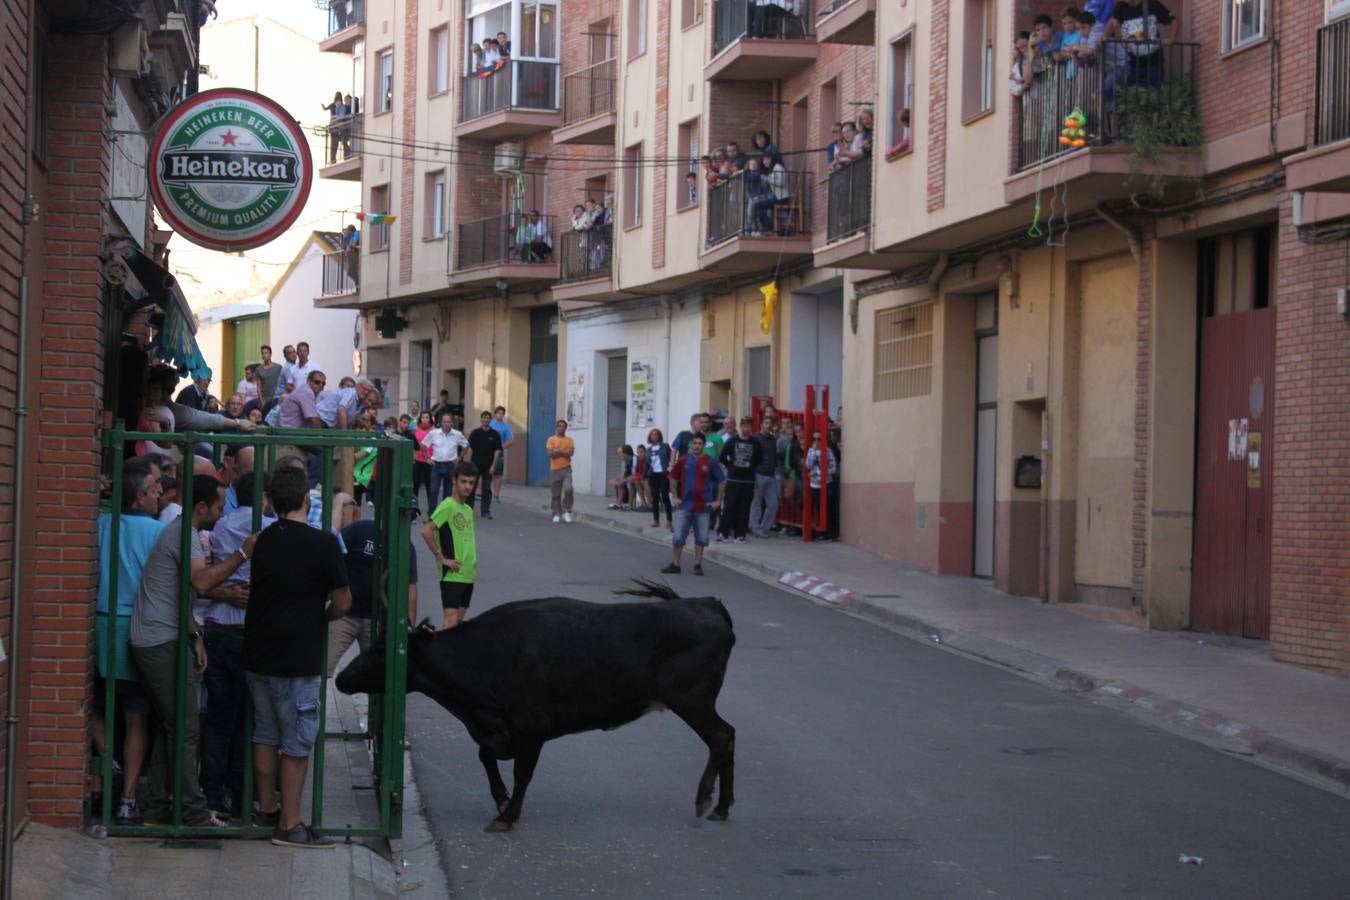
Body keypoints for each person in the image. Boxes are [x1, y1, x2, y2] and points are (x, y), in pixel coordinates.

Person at [130, 474, 254, 828]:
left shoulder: (185, 533)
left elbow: (177, 590)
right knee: (185, 728)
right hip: (159, 640)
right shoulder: (187, 535)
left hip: (164, 635)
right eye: (217, 507)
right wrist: (244, 551)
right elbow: (200, 581)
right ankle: (193, 811)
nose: (220, 513)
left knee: (171, 725)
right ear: (202, 507)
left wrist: (194, 634)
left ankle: (156, 809)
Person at [244, 465, 351, 848]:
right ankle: (290, 825)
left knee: (265, 734)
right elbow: (343, 602)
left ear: (271, 502)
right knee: (298, 741)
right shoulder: (323, 544)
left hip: (258, 653)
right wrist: (323, 615)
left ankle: (267, 808)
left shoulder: (262, 541)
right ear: (308, 498)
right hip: (298, 655)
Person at [200, 470, 275, 816]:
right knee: (251, 717)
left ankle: (212, 795)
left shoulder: (222, 525)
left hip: (218, 627)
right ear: (262, 497)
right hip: (253, 631)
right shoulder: (271, 529)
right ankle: (243, 794)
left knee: (218, 718)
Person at [95, 457, 165, 825]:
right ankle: (127, 798)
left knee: (93, 705)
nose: (159, 496)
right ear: (138, 498)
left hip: (102, 627)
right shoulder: (156, 532)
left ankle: (110, 760)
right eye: (153, 491)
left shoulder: (101, 524)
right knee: (137, 718)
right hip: (140, 628)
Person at [332, 513, 419, 676]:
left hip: (377, 619)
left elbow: (410, 589)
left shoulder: (405, 546)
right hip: (345, 615)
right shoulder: (358, 529)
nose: (405, 520)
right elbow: (334, 556)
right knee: (323, 668)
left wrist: (410, 629)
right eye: (404, 515)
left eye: (410, 516)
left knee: (380, 675)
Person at [422, 461, 479, 630]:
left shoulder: (467, 509)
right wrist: (442, 558)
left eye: (471, 482)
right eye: (463, 481)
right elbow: (426, 531)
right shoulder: (447, 505)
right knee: (451, 622)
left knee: (458, 625)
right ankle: (441, 656)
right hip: (452, 574)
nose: (467, 486)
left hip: (468, 574)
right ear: (454, 481)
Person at [661, 433, 726, 577]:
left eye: (700, 443)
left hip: (703, 507)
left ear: (704, 445)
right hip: (685, 506)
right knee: (678, 536)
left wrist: (718, 500)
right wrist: (675, 497)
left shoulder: (711, 462)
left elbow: (721, 481)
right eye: (695, 443)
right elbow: (673, 478)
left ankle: (697, 564)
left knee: (702, 538)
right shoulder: (684, 460)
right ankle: (675, 564)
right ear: (691, 444)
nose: (697, 446)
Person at [717, 416, 762, 543]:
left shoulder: (755, 443)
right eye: (744, 426)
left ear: (751, 428)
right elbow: (722, 457)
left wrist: (751, 468)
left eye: (749, 426)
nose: (746, 428)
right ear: (741, 427)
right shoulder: (732, 441)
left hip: (748, 481)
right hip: (733, 480)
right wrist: (730, 467)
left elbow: (759, 459)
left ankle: (740, 534)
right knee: (729, 506)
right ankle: (723, 533)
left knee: (744, 508)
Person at [421, 412, 469, 507]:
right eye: (444, 421)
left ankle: (444, 515)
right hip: (436, 465)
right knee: (433, 491)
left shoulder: (457, 434)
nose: (446, 424)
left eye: (449, 421)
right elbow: (423, 445)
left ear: (452, 423)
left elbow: (466, 445)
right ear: (441, 422)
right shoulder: (434, 433)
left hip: (450, 465)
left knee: (448, 493)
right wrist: (427, 458)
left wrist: (460, 457)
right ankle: (432, 514)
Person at [467, 410, 503, 519]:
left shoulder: (495, 434)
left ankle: (485, 511)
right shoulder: (475, 433)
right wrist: (469, 464)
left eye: (488, 418)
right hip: (475, 465)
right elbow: (470, 449)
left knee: (487, 489)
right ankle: (468, 511)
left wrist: (493, 465)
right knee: (471, 488)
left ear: (490, 420)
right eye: (484, 418)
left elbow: (497, 451)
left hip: (488, 466)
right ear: (481, 419)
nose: (486, 420)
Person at [750, 413, 781, 537]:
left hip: (770, 475)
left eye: (770, 424)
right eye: (766, 423)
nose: (768, 426)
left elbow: (775, 457)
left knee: (773, 504)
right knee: (757, 503)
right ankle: (756, 528)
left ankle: (764, 528)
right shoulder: (756, 438)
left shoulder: (773, 440)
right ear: (762, 425)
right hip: (758, 474)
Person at [805, 432, 839, 542]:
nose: (816, 441)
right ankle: (819, 532)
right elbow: (808, 465)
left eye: (819, 439)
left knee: (827, 509)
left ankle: (828, 533)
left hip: (826, 483)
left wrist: (818, 472)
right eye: (814, 439)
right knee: (817, 509)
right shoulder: (811, 451)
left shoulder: (828, 451)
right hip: (814, 485)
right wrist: (814, 452)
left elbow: (834, 468)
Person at [547, 418, 575, 523]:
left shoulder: (569, 440)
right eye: (559, 426)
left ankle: (567, 511)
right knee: (556, 493)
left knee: (568, 489)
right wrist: (564, 452)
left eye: (563, 426)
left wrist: (558, 451)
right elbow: (550, 454)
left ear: (566, 428)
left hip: (566, 469)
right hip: (555, 470)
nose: (561, 428)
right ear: (556, 428)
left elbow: (570, 453)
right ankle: (556, 513)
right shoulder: (551, 439)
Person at [645, 427, 674, 529]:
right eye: (652, 434)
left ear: (659, 436)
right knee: (655, 498)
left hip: (663, 474)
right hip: (653, 475)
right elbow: (647, 464)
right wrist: (646, 476)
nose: (654, 436)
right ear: (650, 437)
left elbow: (671, 457)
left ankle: (669, 520)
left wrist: (671, 468)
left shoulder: (665, 447)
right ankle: (655, 520)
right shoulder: (648, 450)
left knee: (665, 497)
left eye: (656, 434)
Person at [488, 406, 514, 501]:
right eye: (498, 413)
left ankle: (496, 495)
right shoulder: (490, 424)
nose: (500, 415)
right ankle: (484, 493)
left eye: (502, 413)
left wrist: (501, 447)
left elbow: (510, 440)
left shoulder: (505, 427)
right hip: (488, 452)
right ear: (495, 414)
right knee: (486, 473)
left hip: (499, 454)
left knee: (498, 474)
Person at [412, 411, 435, 515]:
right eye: (423, 417)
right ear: (420, 419)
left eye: (427, 417)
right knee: (415, 484)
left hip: (429, 461)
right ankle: (413, 509)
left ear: (430, 419)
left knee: (429, 486)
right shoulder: (415, 430)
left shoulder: (434, 431)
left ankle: (431, 511)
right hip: (417, 460)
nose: (425, 419)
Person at [607, 445, 635, 510]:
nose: (619, 456)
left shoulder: (634, 460)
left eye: (620, 454)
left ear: (625, 453)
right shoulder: (626, 461)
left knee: (626, 483)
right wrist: (616, 479)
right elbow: (625, 474)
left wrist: (623, 480)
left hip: (637, 478)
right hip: (631, 478)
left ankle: (630, 505)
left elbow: (634, 475)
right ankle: (619, 504)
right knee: (620, 482)